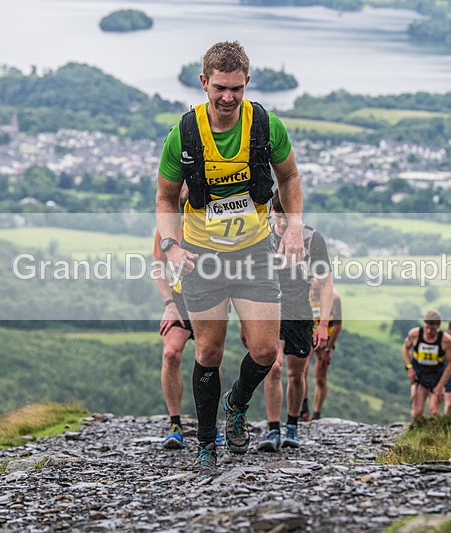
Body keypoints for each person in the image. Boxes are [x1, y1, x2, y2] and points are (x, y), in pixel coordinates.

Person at [155, 41, 305, 468]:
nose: (228, 97)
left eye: (236, 89)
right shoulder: (183, 135)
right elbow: (165, 200)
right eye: (220, 87)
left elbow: (290, 175)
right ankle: (206, 443)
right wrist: (171, 245)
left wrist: (293, 225)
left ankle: (236, 403)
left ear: (247, 83)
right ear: (204, 83)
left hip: (255, 251)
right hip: (204, 256)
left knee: (264, 351)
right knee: (209, 352)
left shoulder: (266, 125)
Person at [257, 191, 333, 452]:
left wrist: (323, 324)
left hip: (301, 312)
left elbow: (326, 285)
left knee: (296, 375)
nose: (280, 220)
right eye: (277, 214)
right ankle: (272, 428)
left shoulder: (313, 240)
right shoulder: (262, 237)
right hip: (270, 310)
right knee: (273, 368)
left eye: (285, 215)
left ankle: (292, 425)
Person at [153, 187, 224, 449]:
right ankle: (175, 424)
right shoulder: (167, 229)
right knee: (171, 354)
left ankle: (211, 422)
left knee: (209, 358)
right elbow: (158, 266)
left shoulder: (212, 224)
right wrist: (169, 304)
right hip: (180, 299)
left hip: (209, 297)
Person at [402, 309, 451, 419]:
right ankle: (416, 434)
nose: (429, 331)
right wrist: (409, 368)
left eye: (433, 329)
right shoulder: (415, 334)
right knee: (417, 412)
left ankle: (433, 435)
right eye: (427, 327)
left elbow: (450, 362)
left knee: (434, 412)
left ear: (438, 326)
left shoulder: (446, 340)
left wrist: (441, 386)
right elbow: (405, 349)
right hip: (420, 376)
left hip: (436, 377)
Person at [303, 281, 342, 421]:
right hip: (309, 336)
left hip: (326, 338)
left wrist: (328, 348)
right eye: (312, 290)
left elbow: (338, 325)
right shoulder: (305, 295)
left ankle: (317, 413)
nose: (314, 293)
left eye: (317, 291)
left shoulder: (334, 298)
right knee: (303, 371)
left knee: (320, 378)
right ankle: (304, 408)